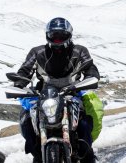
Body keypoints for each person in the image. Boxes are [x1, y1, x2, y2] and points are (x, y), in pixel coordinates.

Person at [13, 17, 100, 163]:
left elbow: (91, 69)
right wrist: (19, 83)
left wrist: (90, 78)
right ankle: (36, 150)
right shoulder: (37, 52)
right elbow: (25, 70)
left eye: (61, 36)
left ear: (69, 35)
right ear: (48, 35)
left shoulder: (80, 51)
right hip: (44, 96)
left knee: (84, 121)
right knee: (27, 118)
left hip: (72, 94)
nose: (58, 40)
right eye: (54, 36)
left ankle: (85, 150)